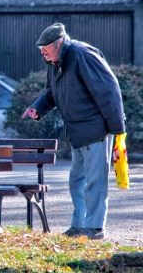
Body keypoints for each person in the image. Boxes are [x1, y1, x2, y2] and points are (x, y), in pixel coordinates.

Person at [22, 23, 126, 240]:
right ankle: (79, 225)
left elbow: (109, 90)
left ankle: (95, 227)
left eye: (46, 48)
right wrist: (37, 108)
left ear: (59, 43)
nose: (42, 52)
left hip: (95, 131)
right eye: (41, 49)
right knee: (76, 180)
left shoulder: (81, 54)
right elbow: (52, 93)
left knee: (95, 181)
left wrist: (117, 129)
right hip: (76, 132)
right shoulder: (54, 62)